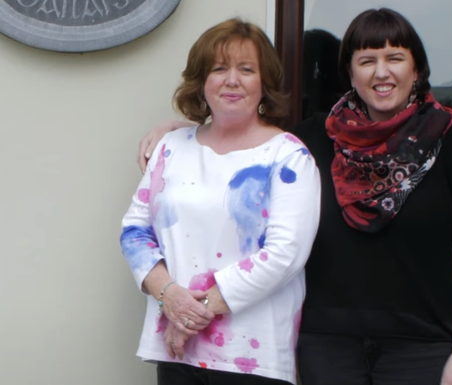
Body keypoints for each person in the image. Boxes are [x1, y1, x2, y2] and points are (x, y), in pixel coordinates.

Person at [137, 8, 452, 385]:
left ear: (416, 70)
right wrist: (182, 133)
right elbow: (244, 137)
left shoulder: (450, 143)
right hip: (327, 346)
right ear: (351, 72)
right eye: (366, 60)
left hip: (421, 347)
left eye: (395, 58)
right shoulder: (316, 139)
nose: (381, 72)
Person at [121, 18, 320, 385]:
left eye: (247, 69)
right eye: (219, 69)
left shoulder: (288, 157)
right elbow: (135, 230)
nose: (232, 80)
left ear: (265, 84)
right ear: (201, 81)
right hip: (176, 351)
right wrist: (170, 297)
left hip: (251, 357)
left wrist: (194, 313)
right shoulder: (170, 148)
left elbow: (285, 253)